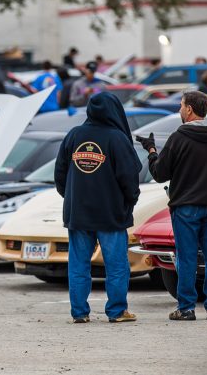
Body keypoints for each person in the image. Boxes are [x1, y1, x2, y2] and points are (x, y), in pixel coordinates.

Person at [138, 90, 207, 321]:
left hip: (185, 208)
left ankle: (187, 308)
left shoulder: (178, 137)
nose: (179, 110)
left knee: (186, 257)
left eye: (181, 106)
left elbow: (160, 173)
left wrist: (152, 151)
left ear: (190, 109)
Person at [54, 92, 141, 324]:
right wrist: (130, 200)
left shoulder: (74, 135)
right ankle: (117, 311)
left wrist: (73, 197)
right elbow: (129, 177)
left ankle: (79, 313)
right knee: (116, 265)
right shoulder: (117, 139)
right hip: (110, 214)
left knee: (79, 265)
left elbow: (59, 174)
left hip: (78, 213)